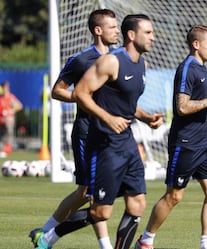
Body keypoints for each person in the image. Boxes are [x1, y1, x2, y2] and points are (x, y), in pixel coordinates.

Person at [34, 14, 164, 249]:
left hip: (127, 141)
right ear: (132, 35)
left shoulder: (142, 65)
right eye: (148, 32)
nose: (153, 37)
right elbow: (81, 93)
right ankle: (48, 237)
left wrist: (146, 118)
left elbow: (125, 103)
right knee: (100, 210)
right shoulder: (110, 61)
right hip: (103, 143)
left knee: (137, 205)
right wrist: (107, 117)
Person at [29, 9, 120, 249]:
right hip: (87, 132)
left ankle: (45, 231)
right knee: (92, 193)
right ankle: (105, 246)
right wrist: (82, 98)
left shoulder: (119, 58)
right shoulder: (81, 60)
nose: (117, 30)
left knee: (85, 193)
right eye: (112, 27)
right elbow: (57, 91)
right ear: (98, 31)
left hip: (110, 134)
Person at [135, 25, 207, 249]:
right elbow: (182, 108)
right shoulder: (187, 68)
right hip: (184, 143)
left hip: (204, 144)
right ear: (196, 45)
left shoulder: (203, 69)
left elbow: (198, 104)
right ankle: (146, 240)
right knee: (173, 196)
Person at [0, 80, 23, 157]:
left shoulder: (10, 97)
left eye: (7, 87)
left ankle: (7, 150)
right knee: (2, 136)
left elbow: (19, 106)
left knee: (9, 135)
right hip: (1, 120)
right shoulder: (1, 98)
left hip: (9, 120)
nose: (6, 88)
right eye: (4, 87)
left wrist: (11, 111)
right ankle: (3, 150)